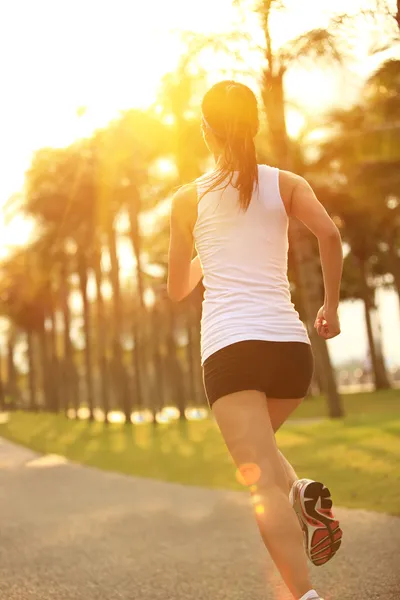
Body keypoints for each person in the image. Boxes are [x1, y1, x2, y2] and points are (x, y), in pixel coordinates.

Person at [167, 80, 343, 600]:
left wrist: (210, 255)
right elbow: (330, 235)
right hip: (291, 352)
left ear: (205, 130)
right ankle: (301, 490)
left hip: (231, 351)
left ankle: (306, 596)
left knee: (258, 479)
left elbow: (178, 289)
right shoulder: (286, 182)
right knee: (264, 455)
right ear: (256, 125)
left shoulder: (185, 200)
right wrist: (329, 309)